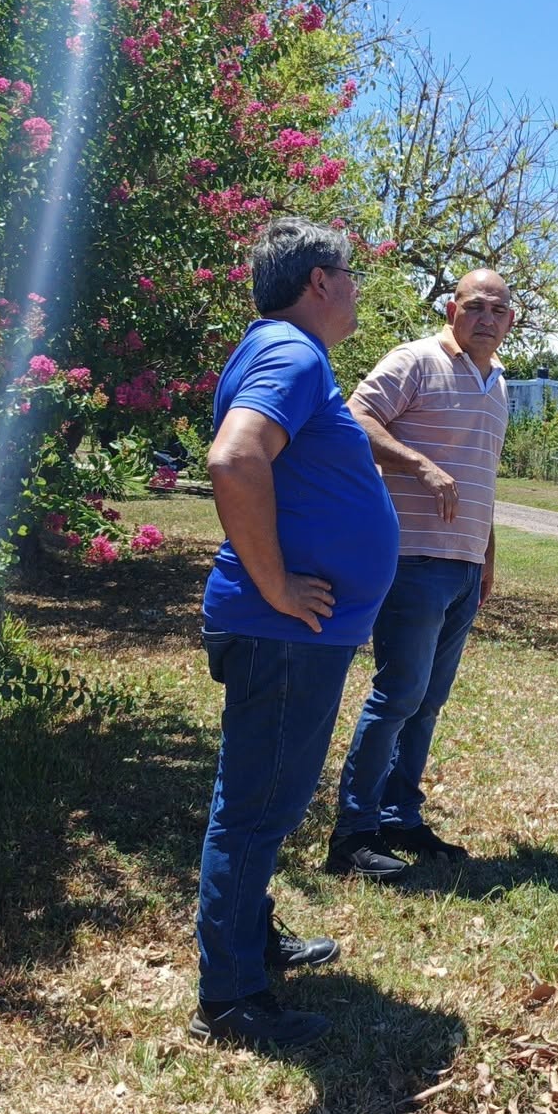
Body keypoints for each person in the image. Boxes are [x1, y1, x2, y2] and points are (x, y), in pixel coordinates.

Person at [192, 217, 399, 1051]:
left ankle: (252, 941)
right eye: (349, 277)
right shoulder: (294, 352)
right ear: (319, 280)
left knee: (263, 800)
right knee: (254, 809)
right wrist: (277, 583)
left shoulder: (282, 351)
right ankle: (233, 997)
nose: (355, 292)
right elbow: (234, 458)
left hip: (287, 635)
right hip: (281, 631)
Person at [326, 269, 515, 876]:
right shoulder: (416, 359)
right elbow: (354, 416)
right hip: (410, 558)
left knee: (427, 700)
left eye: (498, 310)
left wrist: (486, 553)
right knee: (398, 694)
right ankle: (353, 834)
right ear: (451, 309)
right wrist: (418, 464)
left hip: (462, 566)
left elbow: (482, 475)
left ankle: (399, 817)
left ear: (511, 321)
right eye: (476, 306)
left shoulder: (499, 383)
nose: (487, 318)